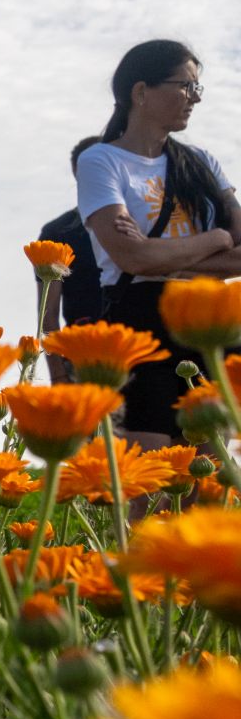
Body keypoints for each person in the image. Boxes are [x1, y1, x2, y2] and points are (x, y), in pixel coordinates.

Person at [76, 39, 241, 447]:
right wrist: (217, 239)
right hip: (141, 320)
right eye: (186, 86)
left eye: (196, 88)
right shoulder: (101, 161)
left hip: (207, 317)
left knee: (211, 474)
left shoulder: (202, 162)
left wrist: (164, 260)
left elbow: (145, 258)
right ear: (141, 92)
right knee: (153, 481)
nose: (194, 99)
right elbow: (130, 256)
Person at [36, 135, 105, 383]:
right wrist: (57, 372)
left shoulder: (139, 222)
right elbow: (48, 311)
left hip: (137, 344)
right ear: (77, 172)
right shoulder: (58, 232)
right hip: (81, 354)